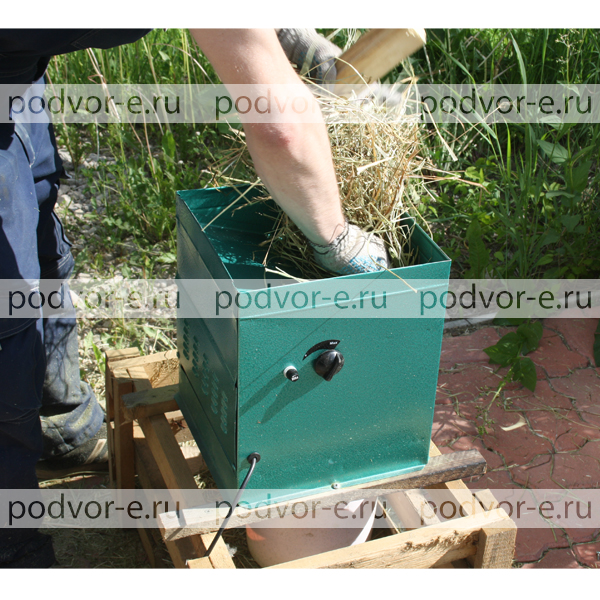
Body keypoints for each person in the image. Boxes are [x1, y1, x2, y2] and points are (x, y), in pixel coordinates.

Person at [0, 28, 389, 568]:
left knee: (37, 231)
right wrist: (335, 237)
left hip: (15, 66)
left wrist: (291, 39)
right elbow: (280, 128)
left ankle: (59, 425)